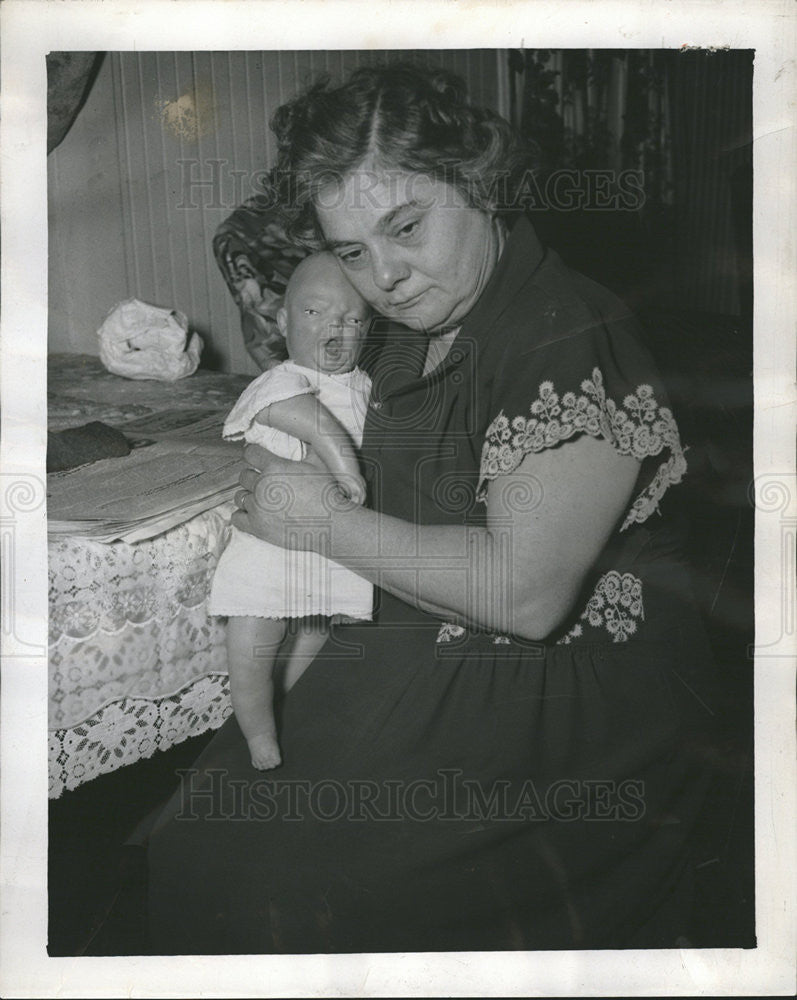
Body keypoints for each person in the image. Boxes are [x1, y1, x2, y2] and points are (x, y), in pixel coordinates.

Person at [147, 63, 717, 953]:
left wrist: (321, 524)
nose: (385, 277)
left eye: (405, 227)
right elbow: (310, 401)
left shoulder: (567, 334)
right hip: (427, 635)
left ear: (480, 184)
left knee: (267, 886)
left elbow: (527, 598)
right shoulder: (419, 326)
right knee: (201, 844)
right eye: (351, 251)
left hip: (574, 696)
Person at [208, 252, 373, 769]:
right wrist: (344, 464)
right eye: (314, 313)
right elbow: (306, 419)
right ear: (281, 322)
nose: (334, 329)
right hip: (268, 542)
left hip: (333, 544)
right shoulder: (282, 380)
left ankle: (285, 706)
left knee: (318, 627)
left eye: (351, 319)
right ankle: (256, 734)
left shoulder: (366, 386)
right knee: (254, 637)